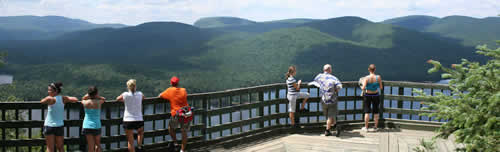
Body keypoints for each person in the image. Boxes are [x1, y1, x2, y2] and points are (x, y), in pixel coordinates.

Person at [40, 82, 79, 152]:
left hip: (49, 125)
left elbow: (42, 101)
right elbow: (75, 99)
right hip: (59, 125)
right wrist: (67, 98)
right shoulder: (63, 98)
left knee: (50, 148)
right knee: (60, 147)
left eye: (50, 90)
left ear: (56, 91)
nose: (48, 91)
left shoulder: (50, 99)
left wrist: (48, 97)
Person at [309, 64, 342, 136]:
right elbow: (339, 87)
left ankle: (335, 126)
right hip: (332, 100)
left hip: (323, 99)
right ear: (330, 70)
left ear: (324, 70)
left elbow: (315, 82)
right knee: (331, 115)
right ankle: (327, 130)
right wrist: (335, 90)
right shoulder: (334, 78)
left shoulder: (319, 76)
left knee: (327, 115)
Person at [159, 76, 190, 152]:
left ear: (171, 83)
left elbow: (160, 95)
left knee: (171, 128)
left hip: (176, 113)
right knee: (184, 132)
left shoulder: (170, 90)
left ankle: (175, 143)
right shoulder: (184, 90)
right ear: (178, 83)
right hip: (186, 113)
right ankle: (182, 150)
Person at [116, 79, 145, 152]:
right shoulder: (140, 94)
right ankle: (139, 147)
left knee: (130, 141)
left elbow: (117, 99)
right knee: (140, 132)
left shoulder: (125, 94)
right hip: (139, 119)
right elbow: (143, 98)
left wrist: (124, 100)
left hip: (128, 120)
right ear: (135, 86)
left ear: (128, 87)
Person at [81, 86, 105, 152]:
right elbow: (104, 99)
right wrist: (98, 96)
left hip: (87, 125)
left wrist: (87, 95)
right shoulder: (99, 102)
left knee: (90, 146)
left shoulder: (85, 103)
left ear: (89, 93)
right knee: (98, 145)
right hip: (96, 125)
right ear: (96, 93)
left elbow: (82, 99)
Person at [361, 64, 383, 132]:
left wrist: (361, 85)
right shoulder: (378, 77)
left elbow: (363, 87)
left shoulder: (366, 78)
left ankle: (366, 127)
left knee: (367, 111)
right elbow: (381, 87)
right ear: (375, 69)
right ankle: (375, 127)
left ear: (369, 69)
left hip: (368, 95)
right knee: (376, 111)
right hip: (376, 95)